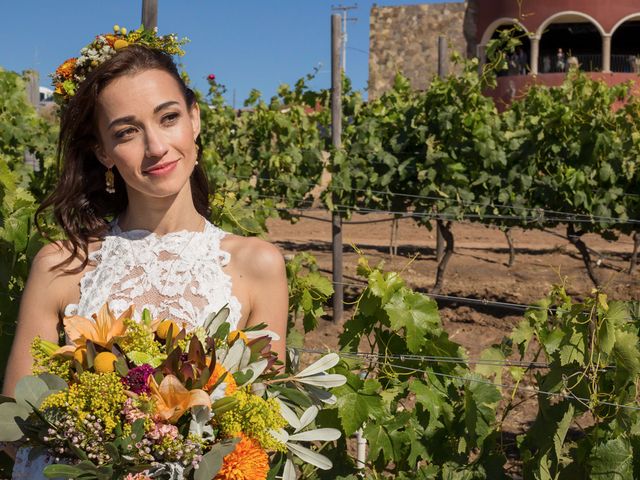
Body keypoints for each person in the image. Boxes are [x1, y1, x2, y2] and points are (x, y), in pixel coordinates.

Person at [3, 30, 288, 478]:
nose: (156, 147)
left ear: (194, 118)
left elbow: (263, 426)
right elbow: (13, 427)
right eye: (128, 131)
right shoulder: (60, 265)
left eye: (168, 117)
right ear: (103, 152)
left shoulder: (258, 266)